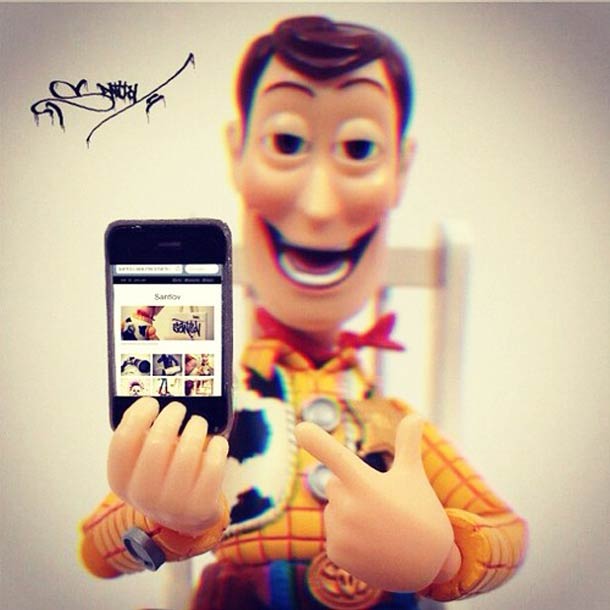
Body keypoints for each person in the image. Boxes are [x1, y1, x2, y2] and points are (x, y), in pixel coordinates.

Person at [80, 16, 527, 609]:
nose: (318, 207)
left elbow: (505, 533)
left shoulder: (392, 424)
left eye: (359, 149)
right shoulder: (213, 413)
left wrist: (443, 555)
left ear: (401, 168)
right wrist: (160, 517)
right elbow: (96, 549)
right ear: (237, 152)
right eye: (286, 142)